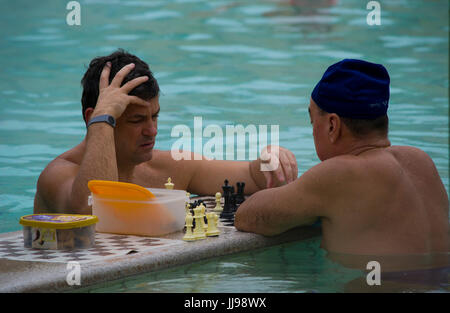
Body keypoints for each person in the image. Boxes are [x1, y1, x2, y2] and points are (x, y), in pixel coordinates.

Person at [34, 49, 298, 214]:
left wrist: (271, 159)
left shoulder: (169, 167)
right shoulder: (57, 176)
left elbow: (252, 178)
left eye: (155, 116)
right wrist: (103, 119)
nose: (152, 130)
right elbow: (89, 210)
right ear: (94, 119)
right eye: (137, 120)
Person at [235, 59, 449, 256]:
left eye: (312, 121)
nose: (312, 131)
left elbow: (247, 216)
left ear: (332, 125)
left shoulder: (341, 174)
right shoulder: (421, 161)